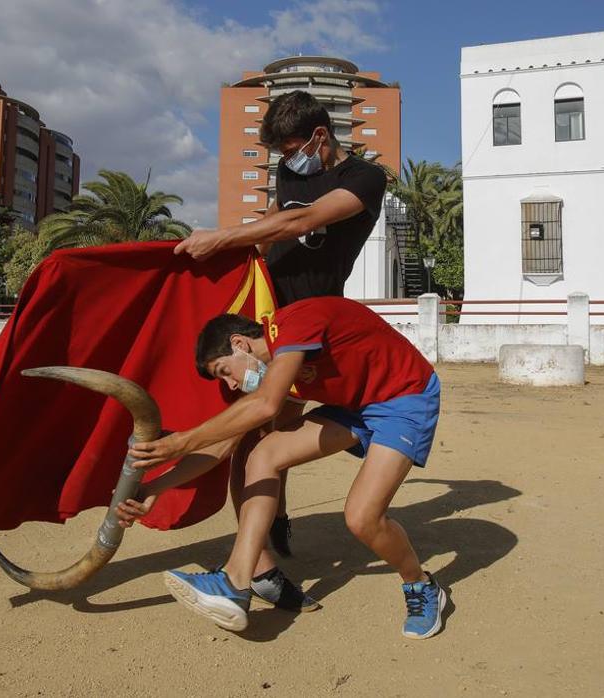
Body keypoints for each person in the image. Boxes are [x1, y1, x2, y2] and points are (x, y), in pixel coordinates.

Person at [122, 296, 447, 639]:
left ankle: (421, 586)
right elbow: (222, 445)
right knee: (262, 454)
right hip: (356, 406)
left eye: (224, 372)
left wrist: (178, 442)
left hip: (405, 397)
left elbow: (266, 406)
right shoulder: (276, 370)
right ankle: (236, 580)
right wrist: (153, 488)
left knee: (362, 517)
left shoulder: (294, 325)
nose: (230, 385)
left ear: (239, 343)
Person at [171, 89, 389, 572]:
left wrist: (222, 235)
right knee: (249, 438)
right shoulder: (291, 169)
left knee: (273, 429)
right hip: (262, 317)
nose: (288, 162)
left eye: (291, 150)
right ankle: (265, 549)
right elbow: (273, 222)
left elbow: (303, 219)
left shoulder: (366, 177)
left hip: (312, 324)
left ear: (319, 135)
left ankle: (269, 533)